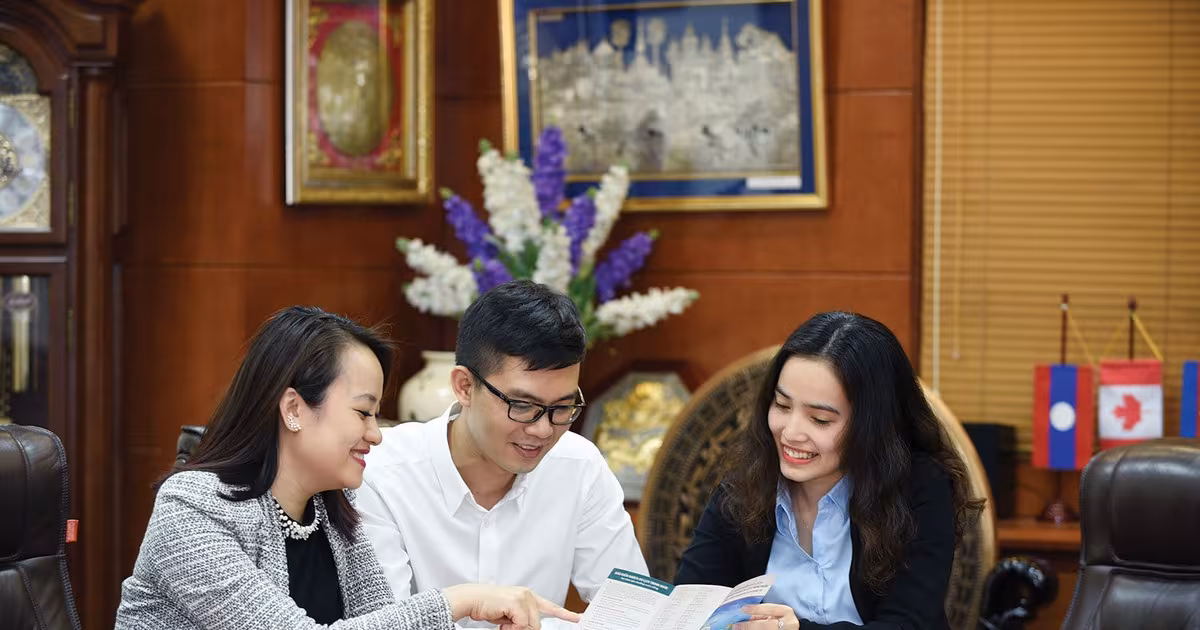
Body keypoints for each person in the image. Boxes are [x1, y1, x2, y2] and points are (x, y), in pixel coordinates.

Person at [114, 306, 579, 630]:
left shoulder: (335, 511)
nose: (376, 434)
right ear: (293, 408)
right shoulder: (191, 509)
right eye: (363, 412)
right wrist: (463, 599)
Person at [675, 312, 984, 630]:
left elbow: (908, 624)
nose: (790, 433)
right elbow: (693, 602)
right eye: (782, 405)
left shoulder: (918, 488)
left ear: (872, 425)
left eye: (819, 419)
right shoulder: (744, 486)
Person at [356, 281, 647, 613]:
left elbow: (634, 610)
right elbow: (384, 621)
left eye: (562, 407)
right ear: (465, 387)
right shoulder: (379, 474)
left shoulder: (579, 466)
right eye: (521, 405)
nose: (543, 430)